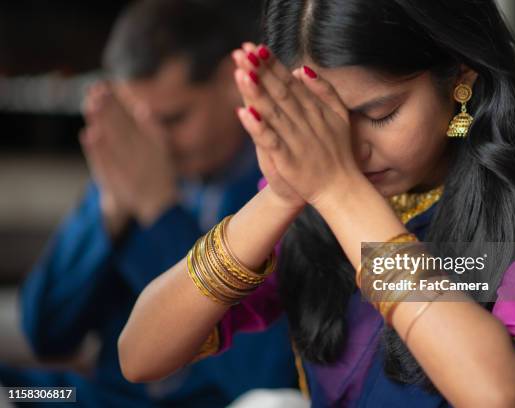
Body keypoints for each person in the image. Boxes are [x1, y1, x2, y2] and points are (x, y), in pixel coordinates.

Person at [118, 0, 515, 406]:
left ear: (462, 79)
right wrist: (285, 197)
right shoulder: (315, 195)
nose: (350, 151)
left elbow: (501, 395)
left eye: (380, 114)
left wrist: (339, 192)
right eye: (324, 119)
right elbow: (139, 355)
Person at [0, 0, 297, 406]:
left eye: (174, 119)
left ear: (233, 81)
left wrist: (159, 211)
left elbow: (266, 381)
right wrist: (109, 209)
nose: (154, 144)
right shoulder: (137, 169)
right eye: (139, 123)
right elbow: (45, 333)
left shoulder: (276, 189)